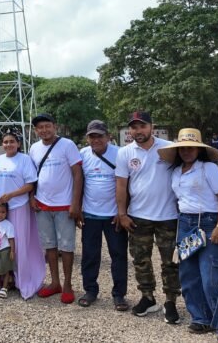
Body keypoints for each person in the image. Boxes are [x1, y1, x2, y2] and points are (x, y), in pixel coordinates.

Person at [158, 129, 218, 342]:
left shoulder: (209, 168)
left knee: (212, 276)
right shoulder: (176, 172)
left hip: (210, 222)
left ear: (199, 149)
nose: (186, 151)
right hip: (185, 223)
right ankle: (201, 318)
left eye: (191, 147)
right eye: (182, 148)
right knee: (189, 274)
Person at [115, 111, 181, 323]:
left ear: (151, 126)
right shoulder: (125, 152)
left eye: (142, 126)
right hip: (138, 216)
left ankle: (170, 301)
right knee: (141, 260)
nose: (138, 131)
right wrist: (122, 213)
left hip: (168, 215)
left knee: (170, 262)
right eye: (134, 127)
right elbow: (121, 185)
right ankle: (148, 297)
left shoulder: (169, 147)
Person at [28, 113, 83, 304]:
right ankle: (55, 283)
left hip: (65, 205)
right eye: (39, 127)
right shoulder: (34, 148)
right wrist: (31, 197)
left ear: (55, 126)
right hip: (42, 204)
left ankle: (67, 284)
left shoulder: (67, 145)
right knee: (49, 246)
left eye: (47, 126)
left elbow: (77, 174)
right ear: (36, 131)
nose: (44, 130)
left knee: (66, 247)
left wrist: (76, 203)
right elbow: (31, 176)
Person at [78, 120, 128, 310]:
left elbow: (126, 184)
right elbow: (78, 182)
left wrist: (122, 211)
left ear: (108, 136)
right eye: (92, 136)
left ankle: (119, 294)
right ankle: (90, 290)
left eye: (100, 136)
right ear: (87, 138)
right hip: (90, 215)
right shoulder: (82, 154)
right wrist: (78, 208)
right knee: (90, 255)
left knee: (118, 255)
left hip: (114, 215)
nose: (96, 139)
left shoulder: (120, 154)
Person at [0, 130, 45, 300]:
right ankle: (2, 278)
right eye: (5, 142)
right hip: (1, 208)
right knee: (1, 242)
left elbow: (30, 184)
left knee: (19, 244)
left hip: (18, 206)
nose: (8, 144)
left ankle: (21, 279)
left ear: (19, 144)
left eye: (12, 142)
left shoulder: (24, 160)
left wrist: (12, 194)